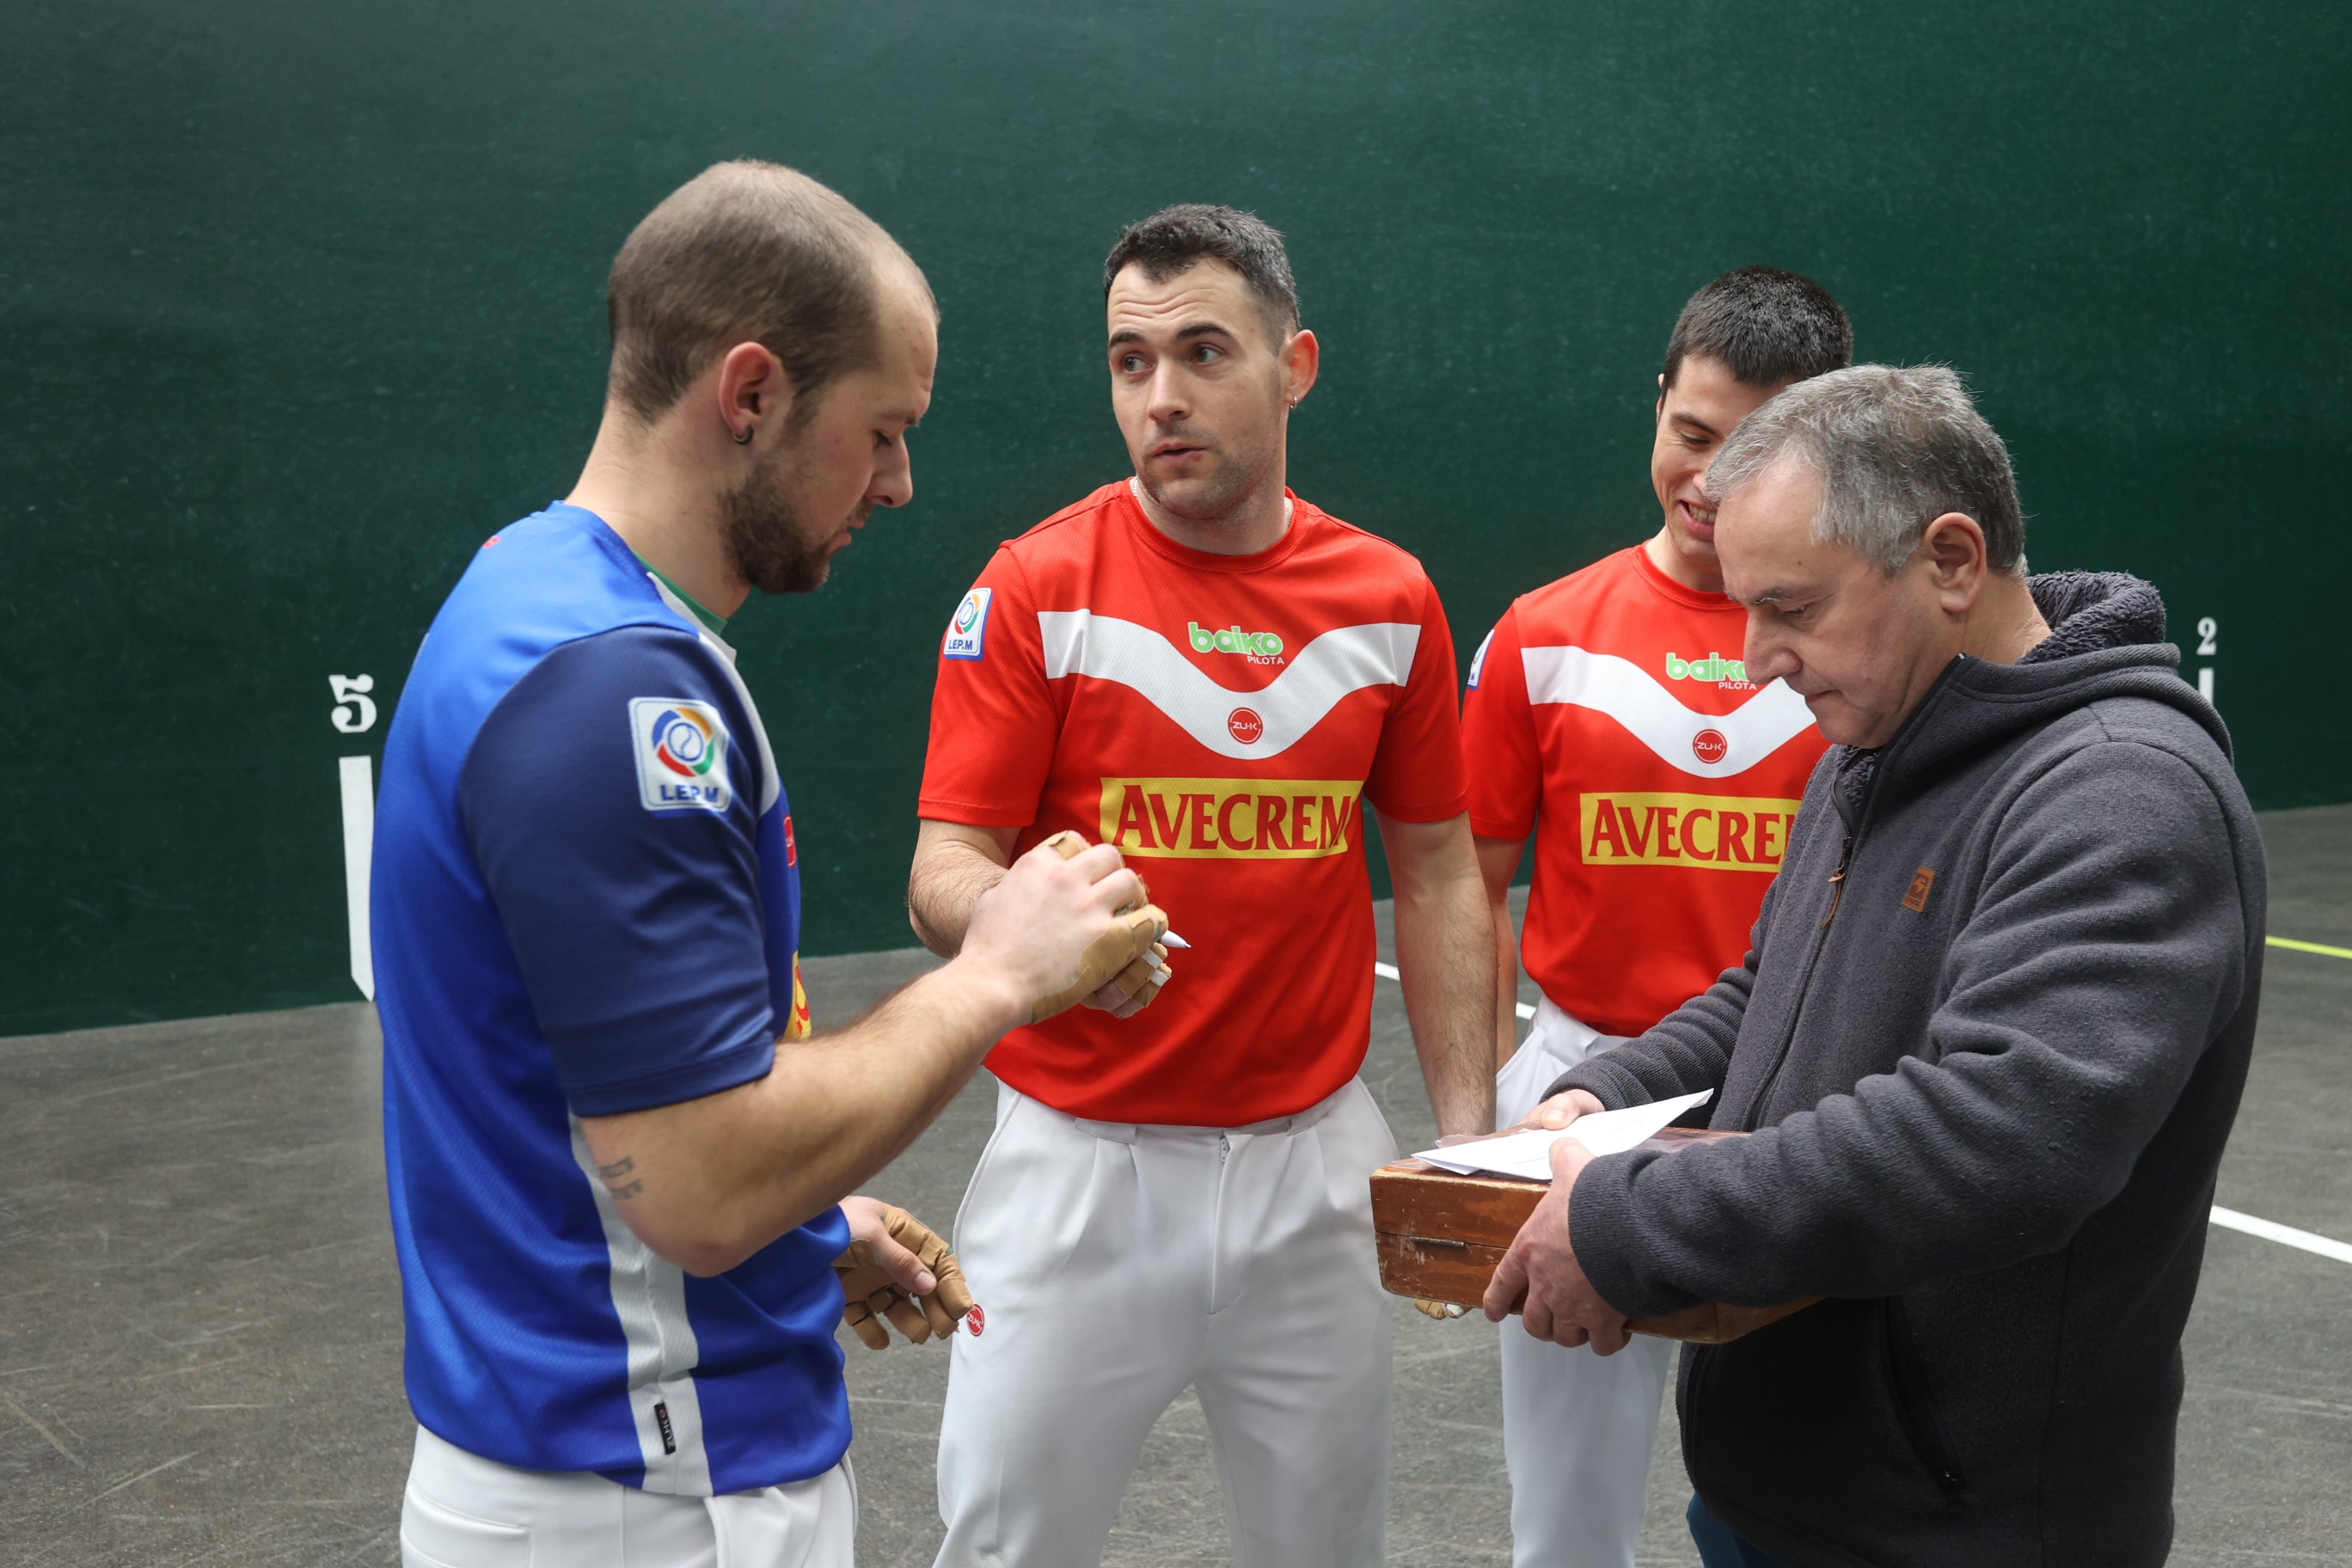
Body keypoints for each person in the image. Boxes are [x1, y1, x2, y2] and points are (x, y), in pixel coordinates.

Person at [371, 161, 1165, 1568]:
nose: (902, 484)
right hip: (654, 1496)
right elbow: (700, 1184)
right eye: (883, 431)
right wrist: (998, 975)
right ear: (751, 396)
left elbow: (602, 1100)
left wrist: (814, 1229)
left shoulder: (535, 592)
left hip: (600, 1462)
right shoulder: (616, 696)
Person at [1487, 364, 2266, 1568]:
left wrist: (1629, 1216)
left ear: (1952, 561)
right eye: (1746, 609)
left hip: (1963, 1530)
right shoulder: (1877, 740)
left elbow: (2002, 1137)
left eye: (1791, 608)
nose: (1758, 659)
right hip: (1779, 1491)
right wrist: (1612, 1089)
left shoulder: (2122, 790)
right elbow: (1771, 994)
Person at [907, 204, 1497, 1567]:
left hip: (1316, 1175)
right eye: (1129, 362)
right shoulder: (1036, 585)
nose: (1160, 397)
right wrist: (1024, 932)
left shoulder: (1389, 599)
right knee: (1007, 1551)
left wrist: (1466, 1143)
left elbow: (1438, 868)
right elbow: (946, 865)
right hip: (1077, 1178)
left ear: (1294, 366)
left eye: (1202, 353)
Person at [1461, 266, 1851, 1568]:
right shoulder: (1540, 635)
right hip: (1579, 1100)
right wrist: (1476, 1122)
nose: (1710, 476)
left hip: (1801, 1101)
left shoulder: (1855, 650)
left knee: (1806, 1494)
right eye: (1692, 433)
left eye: (1755, 447)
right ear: (1658, 406)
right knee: (1564, 1514)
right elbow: (1467, 880)